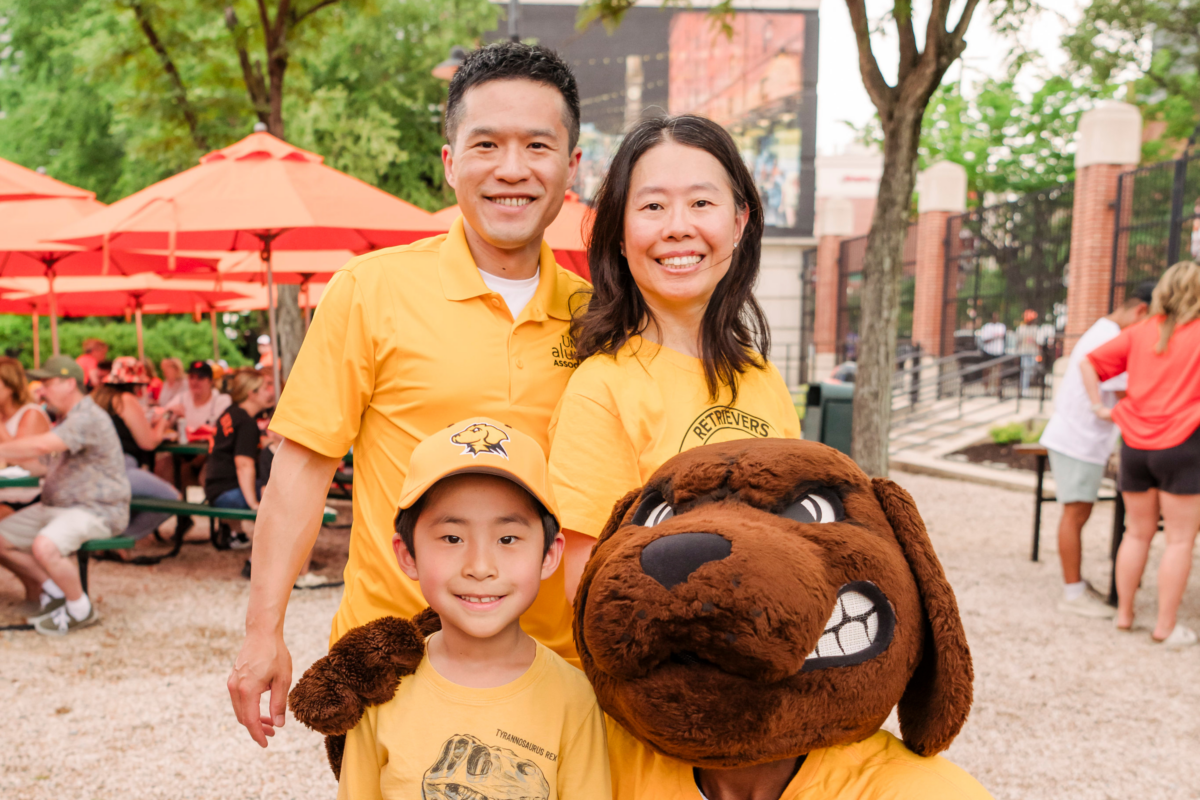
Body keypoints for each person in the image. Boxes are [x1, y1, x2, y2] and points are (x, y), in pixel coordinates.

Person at [228, 41, 590, 748]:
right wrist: (260, 632)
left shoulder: (601, 316)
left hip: (560, 675)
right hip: (393, 669)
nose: (512, 169)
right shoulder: (370, 290)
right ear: (451, 162)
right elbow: (301, 472)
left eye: (537, 146)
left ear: (571, 168)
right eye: (486, 144)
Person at [548, 115, 802, 608]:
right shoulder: (601, 389)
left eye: (702, 203)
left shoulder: (762, 377)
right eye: (653, 206)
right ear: (619, 235)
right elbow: (591, 588)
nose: (679, 227)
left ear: (739, 223)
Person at [332, 419, 610, 799]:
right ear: (407, 554)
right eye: (452, 537)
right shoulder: (382, 695)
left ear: (549, 555)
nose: (480, 566)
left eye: (507, 538)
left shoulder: (575, 700)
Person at [1083, 261, 1200, 647]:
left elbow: (1089, 362)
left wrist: (1102, 407)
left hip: (1134, 446)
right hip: (1184, 445)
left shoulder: (1139, 331)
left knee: (1136, 533)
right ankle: (1165, 627)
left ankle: (1125, 614)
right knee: (1180, 540)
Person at [1038, 283, 1153, 617]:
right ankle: (1072, 594)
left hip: (1081, 438)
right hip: (1079, 439)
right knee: (1075, 515)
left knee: (1078, 513)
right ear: (1142, 311)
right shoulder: (1110, 337)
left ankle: (1076, 587)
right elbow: (1124, 394)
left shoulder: (1104, 330)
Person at [0, 356, 130, 635]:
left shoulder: (88, 416)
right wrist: (14, 458)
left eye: (48, 383)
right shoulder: (69, 419)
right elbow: (42, 464)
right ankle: (55, 591)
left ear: (70, 383)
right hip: (58, 506)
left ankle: (80, 610)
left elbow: (43, 445)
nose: (42, 390)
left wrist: (5, 451)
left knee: (45, 545)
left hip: (96, 509)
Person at [92, 357, 184, 546]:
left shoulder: (96, 398)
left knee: (138, 496)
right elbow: (148, 443)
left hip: (92, 470)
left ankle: (110, 539)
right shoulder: (125, 399)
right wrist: (165, 417)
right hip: (119, 469)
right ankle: (119, 541)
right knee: (173, 498)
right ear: (135, 384)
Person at [0, 357, 52, 604]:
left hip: (31, 496)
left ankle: (43, 586)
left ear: (10, 386)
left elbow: (21, 456)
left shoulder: (30, 414)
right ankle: (36, 586)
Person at [205, 369, 275, 550]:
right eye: (265, 387)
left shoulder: (231, 413)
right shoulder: (246, 423)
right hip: (229, 494)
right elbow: (243, 465)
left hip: (215, 489)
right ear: (251, 394)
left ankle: (239, 536)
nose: (270, 391)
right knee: (282, 494)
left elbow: (240, 444)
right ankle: (273, 551)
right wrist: (253, 503)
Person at [164, 360, 232, 431]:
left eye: (200, 378)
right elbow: (160, 415)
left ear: (210, 381)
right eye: (191, 377)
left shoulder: (222, 400)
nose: (194, 382)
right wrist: (170, 412)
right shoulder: (182, 398)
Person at [1015, 308, 1040, 395]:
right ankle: (1024, 388)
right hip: (1024, 353)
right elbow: (1017, 341)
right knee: (1025, 371)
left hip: (1033, 353)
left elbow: (1039, 342)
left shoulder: (1036, 329)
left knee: (1032, 370)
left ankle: (1028, 385)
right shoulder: (1021, 329)